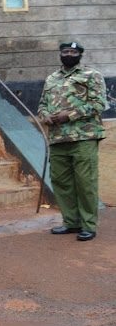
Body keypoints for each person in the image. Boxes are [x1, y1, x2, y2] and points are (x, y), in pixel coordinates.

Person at [38, 41, 106, 242]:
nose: (69, 54)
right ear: (60, 54)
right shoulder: (52, 78)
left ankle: (88, 225)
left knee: (86, 183)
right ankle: (71, 222)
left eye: (73, 52)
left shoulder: (91, 75)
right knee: (61, 182)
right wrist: (45, 116)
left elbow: (99, 104)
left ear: (80, 55)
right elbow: (42, 104)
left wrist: (71, 115)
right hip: (58, 138)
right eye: (65, 51)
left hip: (83, 137)